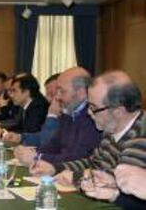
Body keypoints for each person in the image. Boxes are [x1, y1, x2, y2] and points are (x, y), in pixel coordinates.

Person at [30, 71, 145, 209]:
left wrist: (76, 177)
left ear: (118, 111)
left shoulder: (140, 137)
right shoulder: (111, 128)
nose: (89, 112)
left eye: (93, 107)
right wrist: (55, 168)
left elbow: (117, 182)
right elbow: (93, 162)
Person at [13, 67, 101, 165]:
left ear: (81, 93)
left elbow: (76, 158)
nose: (57, 97)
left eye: (62, 91)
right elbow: (53, 145)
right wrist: (33, 153)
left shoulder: (93, 117)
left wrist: (38, 157)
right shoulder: (68, 113)